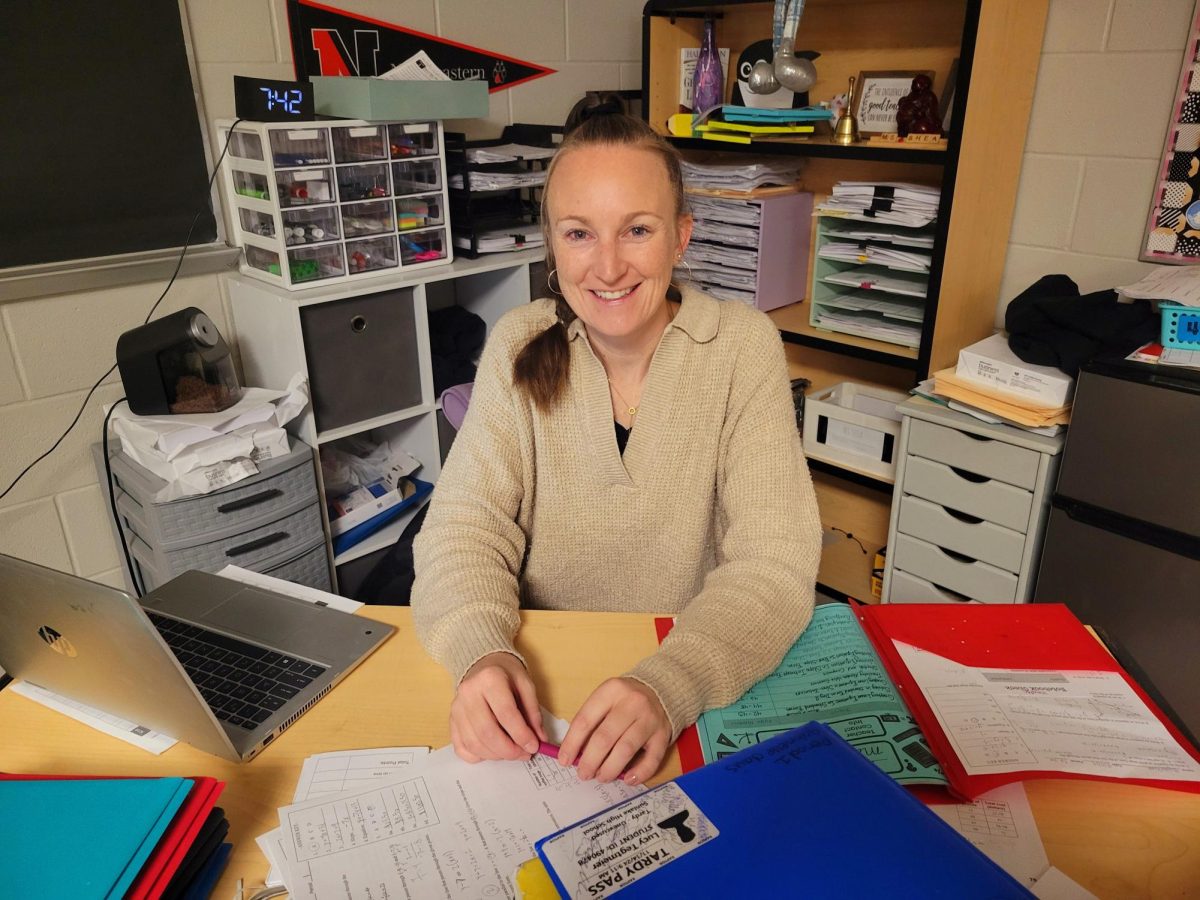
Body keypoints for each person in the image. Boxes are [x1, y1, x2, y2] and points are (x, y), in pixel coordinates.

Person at [411, 94, 822, 787]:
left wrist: (673, 683)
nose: (606, 268)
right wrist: (483, 654)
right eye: (579, 234)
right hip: (539, 691)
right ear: (551, 242)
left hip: (687, 680)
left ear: (681, 236)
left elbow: (774, 563)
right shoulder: (518, 342)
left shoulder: (742, 347)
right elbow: (463, 529)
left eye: (636, 230)